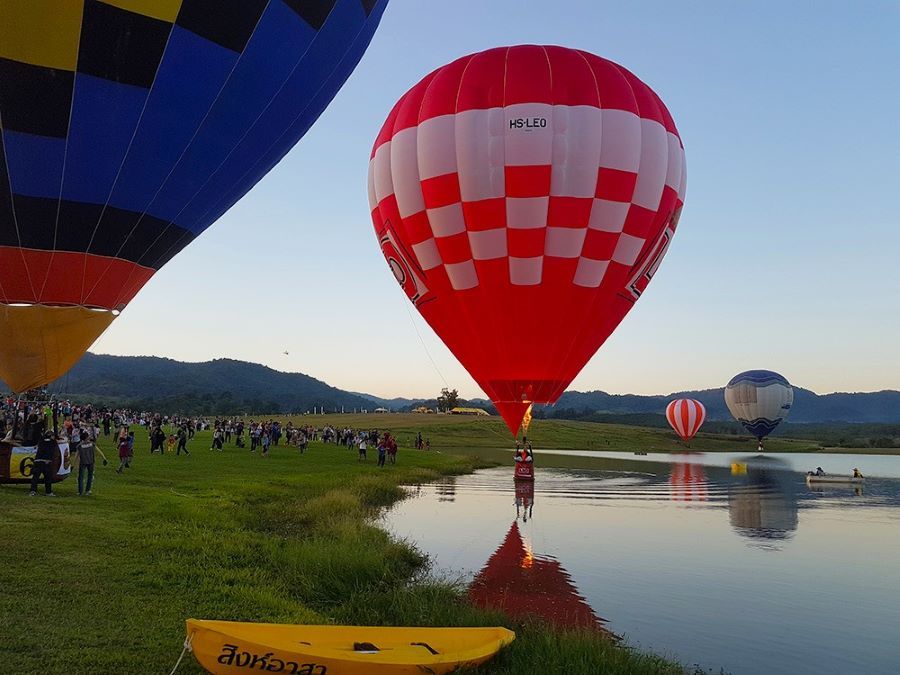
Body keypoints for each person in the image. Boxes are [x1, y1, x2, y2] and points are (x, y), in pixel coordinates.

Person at [29, 431, 57, 496]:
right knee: (48, 478)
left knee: (35, 477)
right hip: (47, 462)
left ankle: (33, 491)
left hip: (38, 461)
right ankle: (48, 492)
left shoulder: (41, 441)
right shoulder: (53, 442)